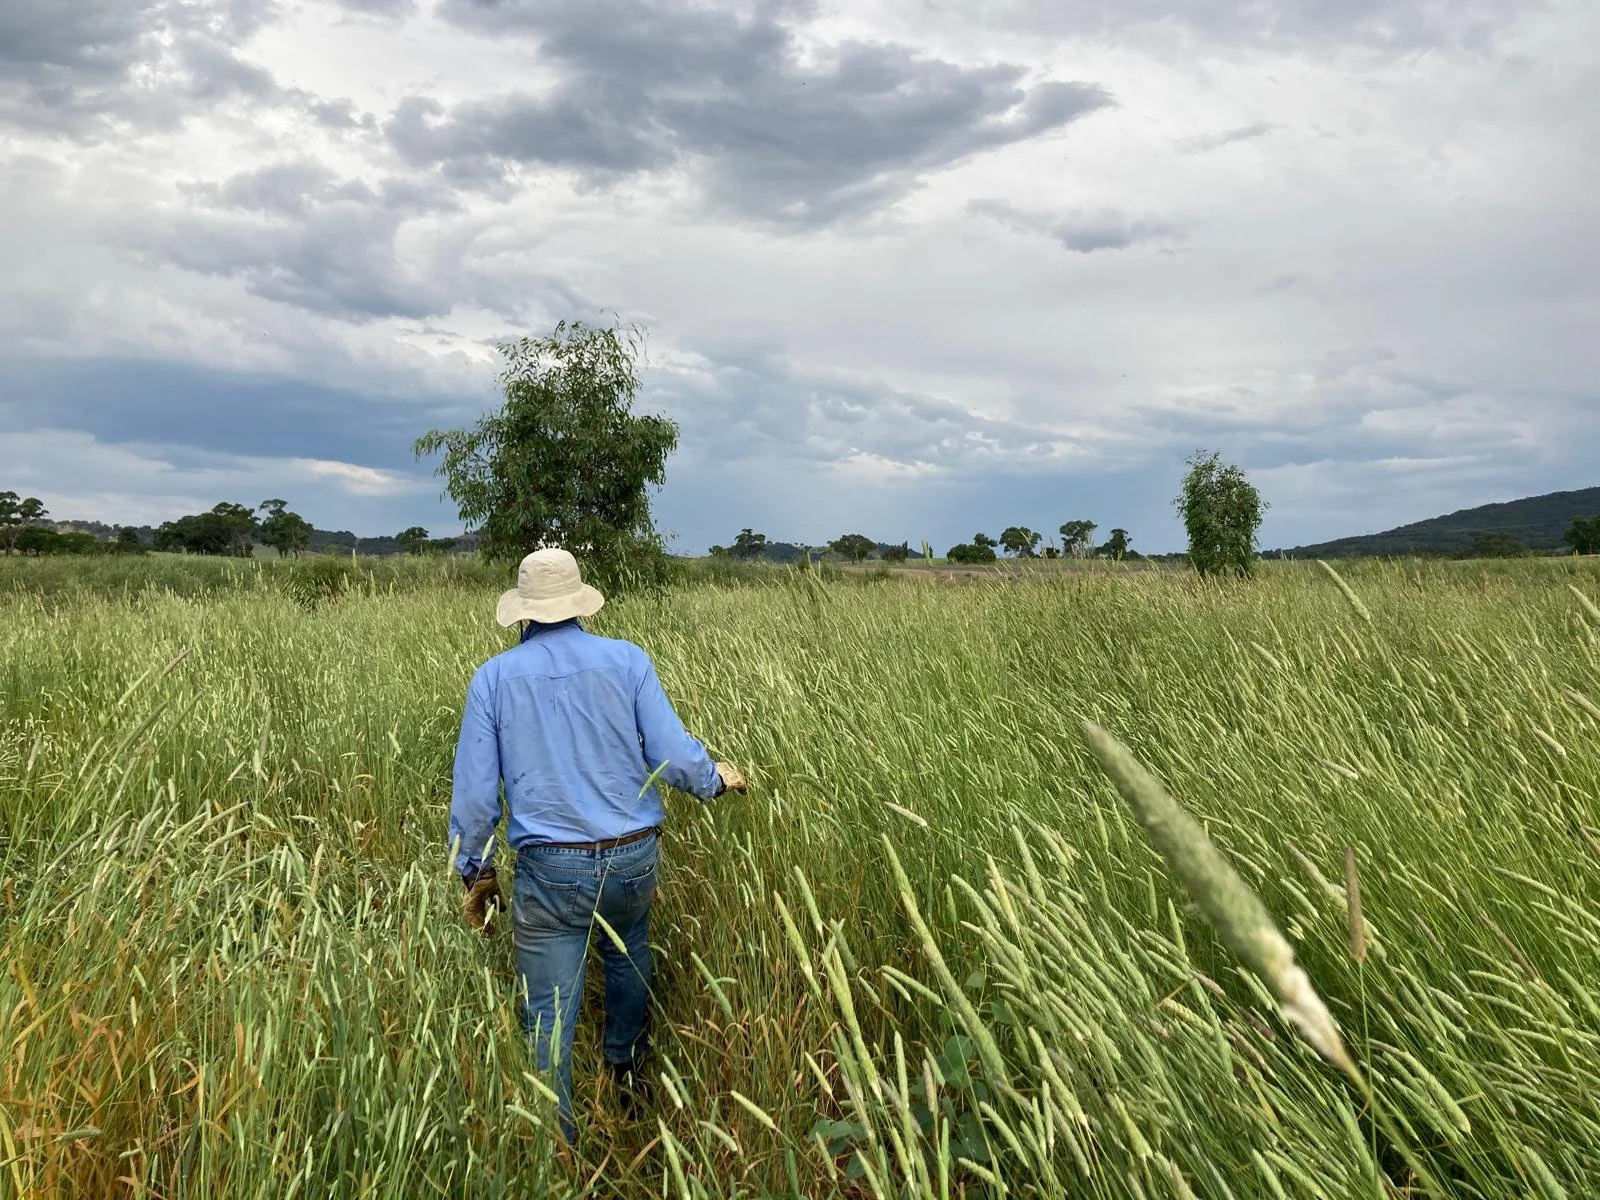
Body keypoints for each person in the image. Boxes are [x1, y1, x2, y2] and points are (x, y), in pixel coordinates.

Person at [448, 547, 747, 1144]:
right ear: (580, 604)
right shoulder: (628, 661)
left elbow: (478, 794)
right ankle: (627, 1074)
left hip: (549, 866)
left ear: (524, 612)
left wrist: (474, 868)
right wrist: (715, 780)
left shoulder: (495, 678)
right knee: (629, 946)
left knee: (548, 1009)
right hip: (634, 852)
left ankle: (556, 1144)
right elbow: (672, 752)